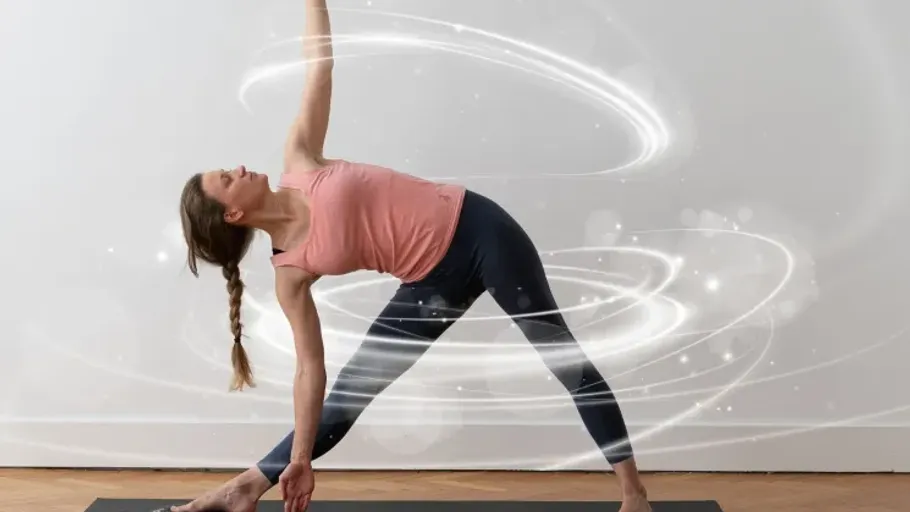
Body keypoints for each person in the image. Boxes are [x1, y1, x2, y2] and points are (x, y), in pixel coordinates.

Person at [173, 1, 652, 511]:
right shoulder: (290, 271)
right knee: (349, 394)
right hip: (429, 284)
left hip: (480, 231)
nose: (238, 168)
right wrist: (303, 457)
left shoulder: (300, 157)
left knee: (564, 359)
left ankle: (634, 495)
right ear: (232, 216)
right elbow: (309, 371)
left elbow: (320, 66)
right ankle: (245, 487)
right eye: (227, 178)